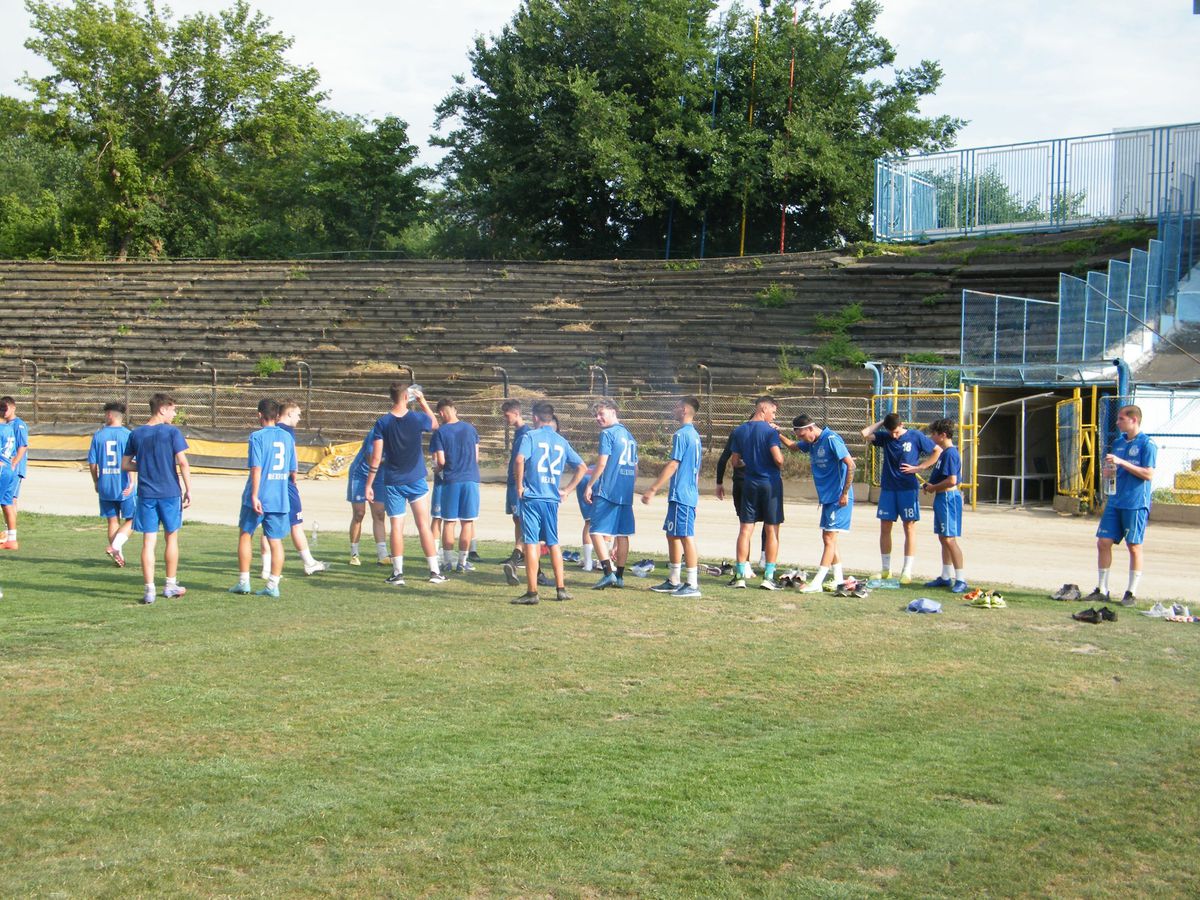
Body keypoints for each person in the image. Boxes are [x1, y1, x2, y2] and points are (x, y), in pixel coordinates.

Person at [364, 382, 445, 586]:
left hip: (393, 480)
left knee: (396, 527)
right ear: (406, 396)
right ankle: (434, 571)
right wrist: (423, 402)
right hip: (415, 478)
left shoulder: (382, 422)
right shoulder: (417, 418)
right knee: (423, 526)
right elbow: (434, 425)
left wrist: (369, 484)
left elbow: (375, 457)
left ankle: (398, 573)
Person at [510, 401, 585, 604]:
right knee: (553, 543)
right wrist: (567, 490)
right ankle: (561, 589)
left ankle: (532, 592)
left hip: (533, 497)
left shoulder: (530, 436)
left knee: (531, 542)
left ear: (535, 417)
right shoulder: (560, 441)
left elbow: (519, 460)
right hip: (551, 499)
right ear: (551, 418)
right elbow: (582, 467)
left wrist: (519, 486)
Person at [122, 393, 192, 604]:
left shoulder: (136, 434)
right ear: (162, 409)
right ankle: (170, 584)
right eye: (173, 409)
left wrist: (142, 466)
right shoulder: (172, 432)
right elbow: (183, 463)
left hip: (146, 494)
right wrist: (189, 489)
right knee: (171, 538)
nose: (174, 413)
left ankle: (149, 589)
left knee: (148, 541)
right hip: (170, 493)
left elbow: (125, 465)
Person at [778, 413, 855, 593]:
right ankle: (838, 580)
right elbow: (793, 447)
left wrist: (844, 493)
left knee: (829, 538)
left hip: (838, 497)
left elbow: (851, 465)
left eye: (803, 435)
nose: (802, 439)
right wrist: (777, 433)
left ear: (811, 428)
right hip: (828, 498)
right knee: (829, 539)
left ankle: (817, 582)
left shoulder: (831, 439)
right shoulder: (813, 442)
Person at [1088, 404, 1156, 606]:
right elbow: (1113, 469)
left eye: (1121, 419)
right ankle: (1102, 589)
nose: (1117, 423)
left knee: (1134, 546)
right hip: (1115, 500)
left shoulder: (1147, 444)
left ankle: (1131, 593)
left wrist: (1122, 462)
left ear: (1133, 420)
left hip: (1134, 502)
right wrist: (1109, 471)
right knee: (1103, 542)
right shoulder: (1118, 443)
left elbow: (1148, 474)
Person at [860, 412, 940, 583]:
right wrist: (883, 422)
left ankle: (907, 571)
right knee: (885, 527)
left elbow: (937, 451)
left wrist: (919, 467)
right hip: (888, 488)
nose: (894, 435)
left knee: (909, 527)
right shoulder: (885, 436)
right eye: (891, 432)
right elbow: (865, 434)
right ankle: (886, 569)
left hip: (907, 489)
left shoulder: (915, 436)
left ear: (902, 425)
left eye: (896, 432)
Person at [229, 399, 297, 598]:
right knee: (276, 541)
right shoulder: (287, 437)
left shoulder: (256, 437)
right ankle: (273, 585)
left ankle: (244, 582)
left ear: (259, 415)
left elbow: (256, 468)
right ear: (277, 416)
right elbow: (293, 472)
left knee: (245, 535)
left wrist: (254, 495)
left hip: (259, 495)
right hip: (279, 497)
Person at [260, 399, 329, 579]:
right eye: (298, 414)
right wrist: (294, 478)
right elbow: (293, 464)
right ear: (289, 413)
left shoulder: (270, 430)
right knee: (296, 524)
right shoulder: (287, 432)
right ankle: (309, 562)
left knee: (267, 525)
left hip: (269, 484)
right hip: (285, 485)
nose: (299, 418)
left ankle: (266, 569)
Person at [642, 396, 703, 597]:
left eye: (677, 406)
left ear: (684, 409)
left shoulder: (681, 434)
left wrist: (653, 489)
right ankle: (674, 579)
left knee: (686, 536)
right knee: (672, 534)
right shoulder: (694, 435)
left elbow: (673, 464)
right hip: (684, 493)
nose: (674, 409)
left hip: (682, 495)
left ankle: (692, 584)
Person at [728, 396, 785, 589]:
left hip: (749, 482)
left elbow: (735, 462)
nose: (774, 416)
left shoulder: (739, 430)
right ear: (763, 409)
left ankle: (739, 575)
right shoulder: (770, 432)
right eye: (773, 412)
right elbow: (779, 460)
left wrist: (750, 463)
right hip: (770, 483)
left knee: (745, 529)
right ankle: (768, 576)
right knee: (772, 529)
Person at [586, 399, 638, 589]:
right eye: (596, 415)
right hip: (625, 492)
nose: (598, 418)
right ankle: (621, 576)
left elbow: (602, 463)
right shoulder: (630, 436)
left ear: (614, 412)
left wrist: (590, 485)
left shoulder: (607, 433)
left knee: (595, 530)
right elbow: (635, 467)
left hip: (608, 490)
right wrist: (629, 487)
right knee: (622, 534)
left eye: (601, 414)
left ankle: (608, 573)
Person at [430, 398, 481, 573]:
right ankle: (462, 561)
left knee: (449, 522)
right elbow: (476, 458)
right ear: (455, 410)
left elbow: (441, 461)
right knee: (467, 522)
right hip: (471, 479)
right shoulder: (471, 429)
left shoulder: (441, 432)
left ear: (442, 413)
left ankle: (447, 562)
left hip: (452, 480)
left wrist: (437, 469)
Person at [920, 418, 968, 594]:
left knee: (949, 539)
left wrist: (933, 487)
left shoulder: (950, 454)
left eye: (934, 433)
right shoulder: (944, 453)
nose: (931, 436)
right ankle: (946, 576)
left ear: (943, 435)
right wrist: (929, 485)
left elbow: (951, 480)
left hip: (948, 498)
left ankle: (961, 579)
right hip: (942, 498)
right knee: (943, 537)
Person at [88, 401, 136, 567]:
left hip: (105, 483)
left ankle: (118, 555)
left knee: (112, 521)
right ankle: (116, 546)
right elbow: (130, 460)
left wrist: (96, 481)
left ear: (109, 414)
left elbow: (93, 463)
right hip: (123, 483)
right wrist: (132, 482)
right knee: (133, 519)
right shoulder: (127, 435)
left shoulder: (98, 435)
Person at [715, 418, 766, 574]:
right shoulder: (765, 433)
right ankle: (763, 559)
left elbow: (724, 458)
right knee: (769, 522)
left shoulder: (738, 432)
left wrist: (719, 483)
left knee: (746, 525)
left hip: (741, 483)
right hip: (757, 483)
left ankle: (747, 564)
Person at [345, 424, 390, 567]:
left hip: (378, 476)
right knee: (359, 513)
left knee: (379, 513)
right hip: (360, 475)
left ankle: (382, 554)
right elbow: (371, 459)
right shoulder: (376, 433)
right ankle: (354, 553)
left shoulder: (398, 435)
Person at [501, 399, 533, 567]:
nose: (506, 419)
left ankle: (522, 553)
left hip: (518, 483)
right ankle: (519, 553)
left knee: (523, 518)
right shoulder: (518, 432)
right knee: (516, 518)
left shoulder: (526, 433)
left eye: (507, 416)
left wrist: (521, 482)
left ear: (516, 413)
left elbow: (525, 460)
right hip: (511, 482)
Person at [0, 396, 29, 550]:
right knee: (8, 502)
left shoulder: (18, 426)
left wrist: (13, 464)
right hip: (8, 469)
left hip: (9, 469)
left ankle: (8, 534)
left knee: (10, 501)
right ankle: (10, 536)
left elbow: (22, 446)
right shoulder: (8, 427)